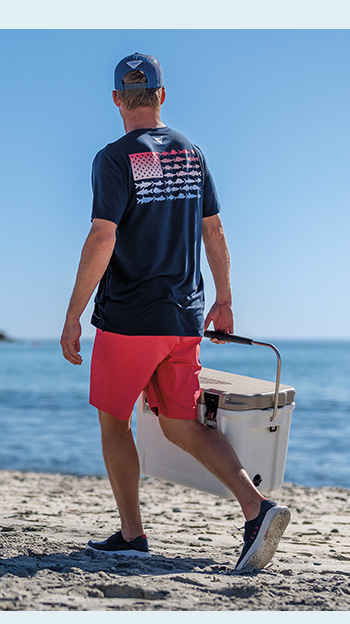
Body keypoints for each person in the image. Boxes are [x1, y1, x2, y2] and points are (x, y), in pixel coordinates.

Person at [60, 53, 290, 572]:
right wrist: (224, 299)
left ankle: (132, 534)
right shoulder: (193, 154)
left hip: (128, 317)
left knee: (115, 420)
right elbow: (215, 231)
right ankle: (257, 510)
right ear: (162, 95)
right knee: (182, 424)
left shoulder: (114, 158)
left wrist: (73, 314)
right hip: (184, 317)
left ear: (117, 99)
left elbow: (102, 236)